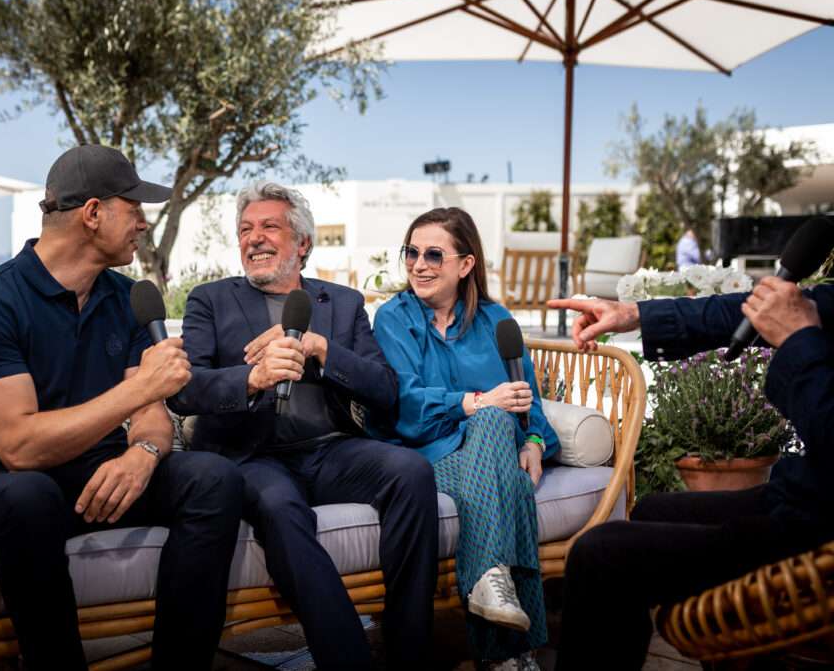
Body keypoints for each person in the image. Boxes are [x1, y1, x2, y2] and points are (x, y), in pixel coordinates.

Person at [0, 145, 244, 670]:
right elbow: (18, 446)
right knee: (28, 496)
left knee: (213, 478)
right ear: (92, 213)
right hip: (9, 480)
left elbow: (151, 411)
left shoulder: (126, 297)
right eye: (134, 210)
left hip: (103, 470)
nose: (143, 224)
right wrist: (137, 394)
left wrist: (145, 453)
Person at [167, 181, 439, 670]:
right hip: (250, 456)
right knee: (281, 507)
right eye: (245, 229)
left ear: (303, 243)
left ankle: (408, 649)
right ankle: (348, 660)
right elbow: (185, 390)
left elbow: (384, 388)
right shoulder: (210, 300)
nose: (254, 238)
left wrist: (321, 350)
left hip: (329, 450)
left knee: (411, 472)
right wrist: (252, 378)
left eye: (269, 226)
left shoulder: (342, 302)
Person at [547, 275, 834, 669]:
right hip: (807, 492)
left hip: (819, 536)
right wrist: (633, 314)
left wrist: (800, 339)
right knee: (653, 511)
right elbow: (748, 309)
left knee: (599, 555)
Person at [371, 207, 559, 671]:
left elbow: (526, 398)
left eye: (434, 254)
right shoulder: (394, 319)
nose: (419, 264)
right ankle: (511, 655)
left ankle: (488, 588)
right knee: (503, 458)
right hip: (422, 457)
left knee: (499, 432)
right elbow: (405, 404)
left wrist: (534, 439)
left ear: (466, 264)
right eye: (411, 252)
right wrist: (474, 402)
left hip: (487, 453)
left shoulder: (496, 321)